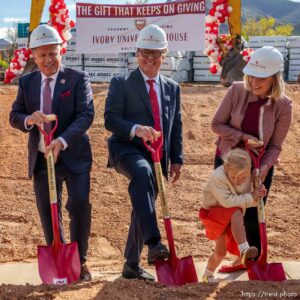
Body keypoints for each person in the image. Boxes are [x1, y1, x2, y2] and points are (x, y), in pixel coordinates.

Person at [9, 24, 94, 281]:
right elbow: (15, 116)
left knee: (79, 205)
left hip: (74, 155)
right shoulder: (27, 82)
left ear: (61, 51)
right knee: (48, 210)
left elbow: (86, 115)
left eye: (52, 53)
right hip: (43, 159)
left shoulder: (78, 79)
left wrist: (62, 140)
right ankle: (59, 256)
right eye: (42, 54)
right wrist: (29, 120)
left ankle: (80, 260)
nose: (48, 60)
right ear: (33, 55)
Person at [104, 24, 183, 281]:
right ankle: (154, 244)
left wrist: (177, 158)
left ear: (164, 54)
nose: (150, 59)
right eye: (145, 53)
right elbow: (110, 120)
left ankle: (131, 264)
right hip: (126, 149)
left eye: (155, 54)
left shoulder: (172, 87)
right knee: (141, 173)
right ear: (137, 53)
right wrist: (136, 129)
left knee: (143, 203)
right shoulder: (121, 83)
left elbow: (176, 124)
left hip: (158, 157)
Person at [211, 46, 293, 272]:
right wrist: (243, 138)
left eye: (262, 79)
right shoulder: (237, 90)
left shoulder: (284, 106)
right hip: (228, 160)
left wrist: (265, 167)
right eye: (252, 76)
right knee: (231, 212)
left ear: (275, 78)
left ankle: (253, 261)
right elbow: (216, 125)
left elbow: (275, 145)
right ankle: (238, 257)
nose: (255, 83)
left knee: (254, 213)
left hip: (259, 166)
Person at [199, 148, 267, 282]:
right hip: (213, 214)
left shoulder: (245, 176)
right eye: (237, 177)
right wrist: (251, 197)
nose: (242, 180)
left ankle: (207, 275)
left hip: (228, 214)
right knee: (236, 211)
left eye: (244, 177)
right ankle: (244, 249)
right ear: (226, 168)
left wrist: (257, 196)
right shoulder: (218, 177)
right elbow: (228, 201)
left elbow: (245, 199)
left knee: (220, 252)